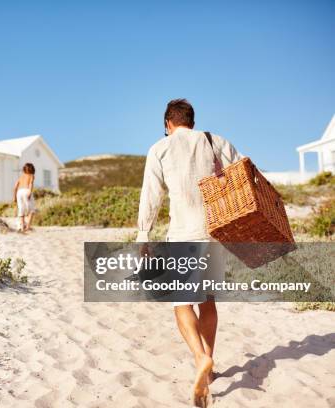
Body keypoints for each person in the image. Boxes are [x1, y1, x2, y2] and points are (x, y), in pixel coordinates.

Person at [136, 99, 242, 407]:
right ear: (191, 122)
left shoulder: (160, 148)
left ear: (168, 123)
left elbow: (151, 195)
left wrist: (144, 233)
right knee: (208, 301)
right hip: (215, 233)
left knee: (182, 305)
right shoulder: (214, 141)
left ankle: (200, 359)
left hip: (182, 235)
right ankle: (209, 362)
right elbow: (243, 171)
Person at [13, 163, 36, 232]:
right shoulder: (31, 175)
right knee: (32, 210)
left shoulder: (21, 177)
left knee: (21, 209)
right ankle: (28, 226)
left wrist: (14, 197)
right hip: (26, 190)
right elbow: (31, 183)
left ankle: (22, 227)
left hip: (19, 192)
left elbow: (15, 187)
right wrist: (30, 192)